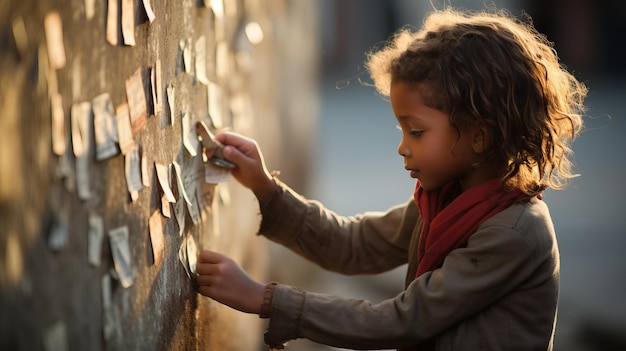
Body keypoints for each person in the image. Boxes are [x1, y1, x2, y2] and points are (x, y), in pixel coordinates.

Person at [195, 8, 587, 351]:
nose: (402, 147)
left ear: (479, 136)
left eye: (415, 132)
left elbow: (401, 320)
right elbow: (353, 244)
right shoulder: (442, 200)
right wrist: (265, 186)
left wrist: (265, 299)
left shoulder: (512, 234)